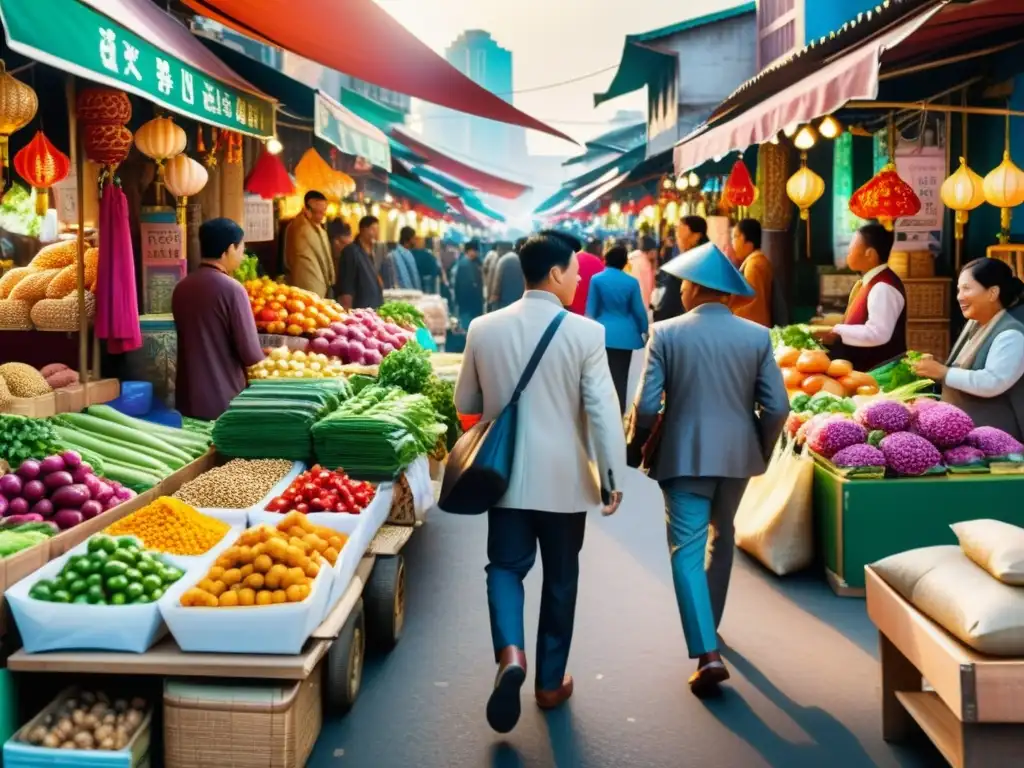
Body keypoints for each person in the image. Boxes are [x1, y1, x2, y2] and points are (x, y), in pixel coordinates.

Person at [454, 229, 625, 734]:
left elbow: (466, 403)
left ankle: (511, 653)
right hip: (565, 481)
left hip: (502, 478)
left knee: (504, 568)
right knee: (561, 577)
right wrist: (611, 477)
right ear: (555, 273)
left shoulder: (483, 327)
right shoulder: (585, 334)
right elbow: (602, 411)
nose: (578, 278)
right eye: (574, 269)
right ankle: (550, 684)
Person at [626, 241, 789, 698]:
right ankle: (710, 630)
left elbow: (645, 406)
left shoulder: (668, 333)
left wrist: (637, 443)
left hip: (682, 455)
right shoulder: (756, 336)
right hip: (738, 456)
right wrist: (758, 444)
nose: (678, 291)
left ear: (697, 288)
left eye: (682, 284)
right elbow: (777, 406)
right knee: (723, 536)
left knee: (686, 548)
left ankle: (706, 651)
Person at [912, 258, 1024, 440]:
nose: (959, 296)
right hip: (964, 433)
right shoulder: (976, 323)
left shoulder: (1011, 334)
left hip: (996, 438)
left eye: (967, 288)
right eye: (959, 290)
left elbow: (993, 382)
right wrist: (933, 368)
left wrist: (943, 372)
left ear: (992, 293)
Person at [172, 218, 264, 421]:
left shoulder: (182, 287)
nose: (242, 254)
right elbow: (250, 354)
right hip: (224, 399)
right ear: (230, 248)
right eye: (241, 248)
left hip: (187, 398)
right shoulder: (232, 290)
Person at [816, 222, 907, 371]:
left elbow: (878, 333)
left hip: (876, 374)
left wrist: (838, 331)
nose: (848, 253)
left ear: (869, 254)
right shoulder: (869, 282)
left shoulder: (883, 287)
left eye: (851, 248)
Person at [586, 244, 649, 412]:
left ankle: (600, 411)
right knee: (620, 378)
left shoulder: (597, 279)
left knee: (600, 376)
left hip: (601, 333)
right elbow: (638, 310)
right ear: (624, 263)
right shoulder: (631, 282)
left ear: (605, 259)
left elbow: (591, 311)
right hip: (626, 336)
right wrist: (645, 330)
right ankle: (618, 413)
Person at [654, 216, 708, 322]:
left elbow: (670, 302)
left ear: (696, 236)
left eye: (680, 234)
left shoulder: (691, 263)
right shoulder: (707, 256)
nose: (677, 238)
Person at [284, 191, 334, 297]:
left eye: (324, 210)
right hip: (306, 285)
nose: (322, 215)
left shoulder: (319, 228)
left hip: (322, 284)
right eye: (318, 211)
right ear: (307, 209)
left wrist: (330, 279)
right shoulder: (299, 226)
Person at [727, 218, 773, 328]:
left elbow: (752, 305)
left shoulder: (754, 265)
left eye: (734, 237)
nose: (732, 243)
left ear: (744, 239)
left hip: (753, 330)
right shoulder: (756, 261)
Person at [337, 215, 383, 310]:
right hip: (359, 308)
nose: (376, 233)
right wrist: (346, 309)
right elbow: (346, 283)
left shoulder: (373, 252)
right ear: (363, 230)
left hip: (373, 307)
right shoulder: (351, 251)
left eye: (377, 230)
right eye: (373, 229)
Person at [453, 241, 485, 330]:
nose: (477, 253)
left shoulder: (472, 262)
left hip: (469, 303)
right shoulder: (465, 264)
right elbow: (466, 286)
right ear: (469, 251)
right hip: (468, 303)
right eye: (475, 251)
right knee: (468, 327)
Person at [569, 240, 605, 315]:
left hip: (570, 309)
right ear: (600, 250)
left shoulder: (575, 258)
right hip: (590, 313)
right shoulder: (600, 265)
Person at [490, 238, 527, 311]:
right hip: (520, 300)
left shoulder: (503, 260)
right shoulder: (520, 259)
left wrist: (494, 296)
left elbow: (497, 281)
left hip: (504, 301)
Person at [628, 235, 658, 310]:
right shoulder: (646, 265)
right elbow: (648, 289)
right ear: (651, 251)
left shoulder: (631, 259)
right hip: (641, 306)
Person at [392, 227, 423, 291]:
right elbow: (407, 278)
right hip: (407, 295)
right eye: (414, 238)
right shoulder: (400, 255)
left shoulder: (404, 253)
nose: (415, 241)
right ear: (409, 239)